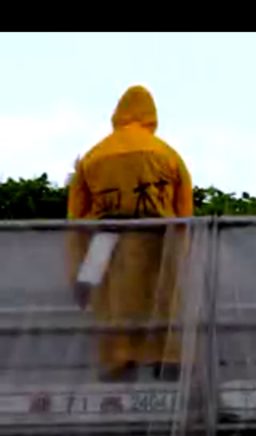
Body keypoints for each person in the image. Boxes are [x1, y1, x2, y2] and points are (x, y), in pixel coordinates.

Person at [66, 85, 194, 382]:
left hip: (105, 242)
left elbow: (75, 221)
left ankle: (117, 364)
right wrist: (183, 256)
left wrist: (79, 276)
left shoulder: (93, 157)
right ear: (152, 116)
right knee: (163, 303)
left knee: (112, 309)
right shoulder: (168, 154)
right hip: (158, 241)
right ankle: (168, 361)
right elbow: (185, 216)